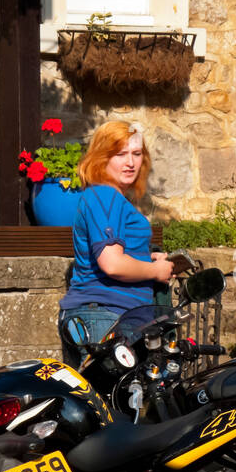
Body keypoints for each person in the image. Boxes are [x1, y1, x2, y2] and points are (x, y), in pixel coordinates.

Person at [58, 120, 173, 354]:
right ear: (102, 157)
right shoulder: (104, 195)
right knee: (120, 392)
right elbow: (112, 264)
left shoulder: (111, 199)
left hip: (112, 315)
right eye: (120, 154)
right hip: (105, 315)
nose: (130, 162)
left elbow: (117, 253)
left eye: (137, 153)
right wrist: (155, 271)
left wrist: (145, 257)